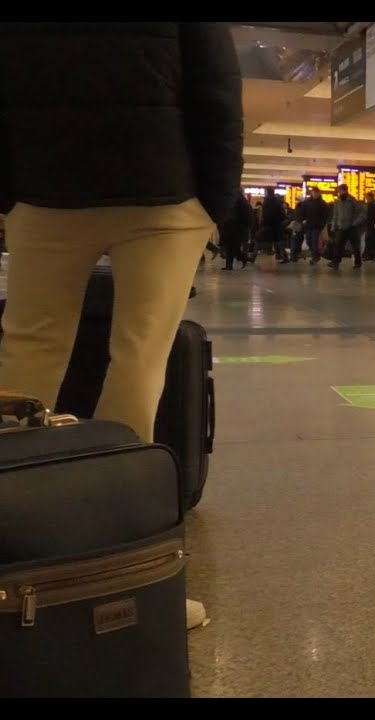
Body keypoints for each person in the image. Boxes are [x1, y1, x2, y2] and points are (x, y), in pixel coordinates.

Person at [0, 22, 244, 630]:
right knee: (139, 357)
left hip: (46, 187)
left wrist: (11, 193)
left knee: (27, 351)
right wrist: (211, 199)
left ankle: (12, 544)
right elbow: (216, 94)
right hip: (161, 189)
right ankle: (121, 558)